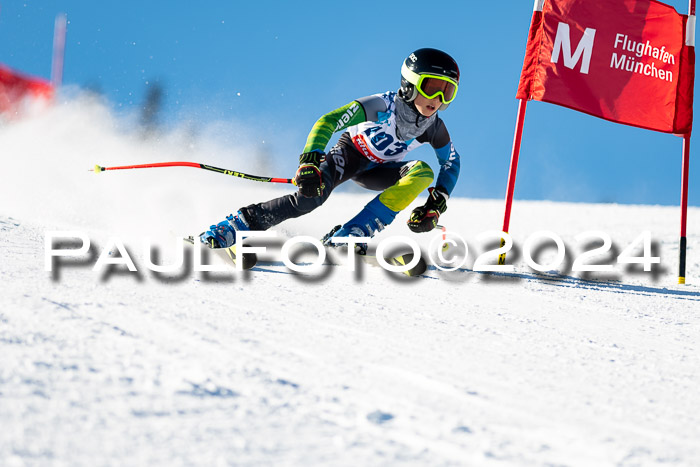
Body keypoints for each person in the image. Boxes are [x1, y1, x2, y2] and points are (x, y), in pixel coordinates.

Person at [200, 48, 461, 253]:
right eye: (432, 88)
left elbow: (451, 162)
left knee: (423, 172)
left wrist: (437, 201)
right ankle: (235, 225)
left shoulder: (434, 128)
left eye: (448, 92)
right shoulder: (383, 104)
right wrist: (310, 161)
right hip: (349, 155)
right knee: (309, 199)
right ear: (410, 83)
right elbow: (328, 121)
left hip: (379, 171)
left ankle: (352, 233)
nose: (438, 99)